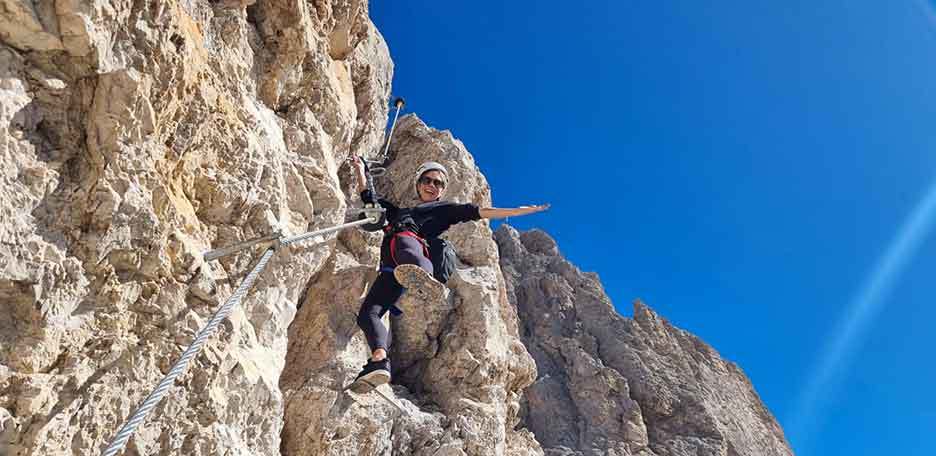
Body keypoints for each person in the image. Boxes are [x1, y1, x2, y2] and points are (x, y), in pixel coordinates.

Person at [348, 157, 549, 392]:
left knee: (405, 241)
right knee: (368, 314)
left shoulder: (443, 209)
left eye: (438, 183)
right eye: (427, 180)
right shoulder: (397, 212)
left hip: (411, 251)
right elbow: (369, 198)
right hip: (392, 269)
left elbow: (477, 212)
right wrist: (360, 170)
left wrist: (516, 212)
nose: (432, 185)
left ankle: (425, 277)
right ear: (418, 183)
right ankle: (379, 361)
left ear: (442, 190)